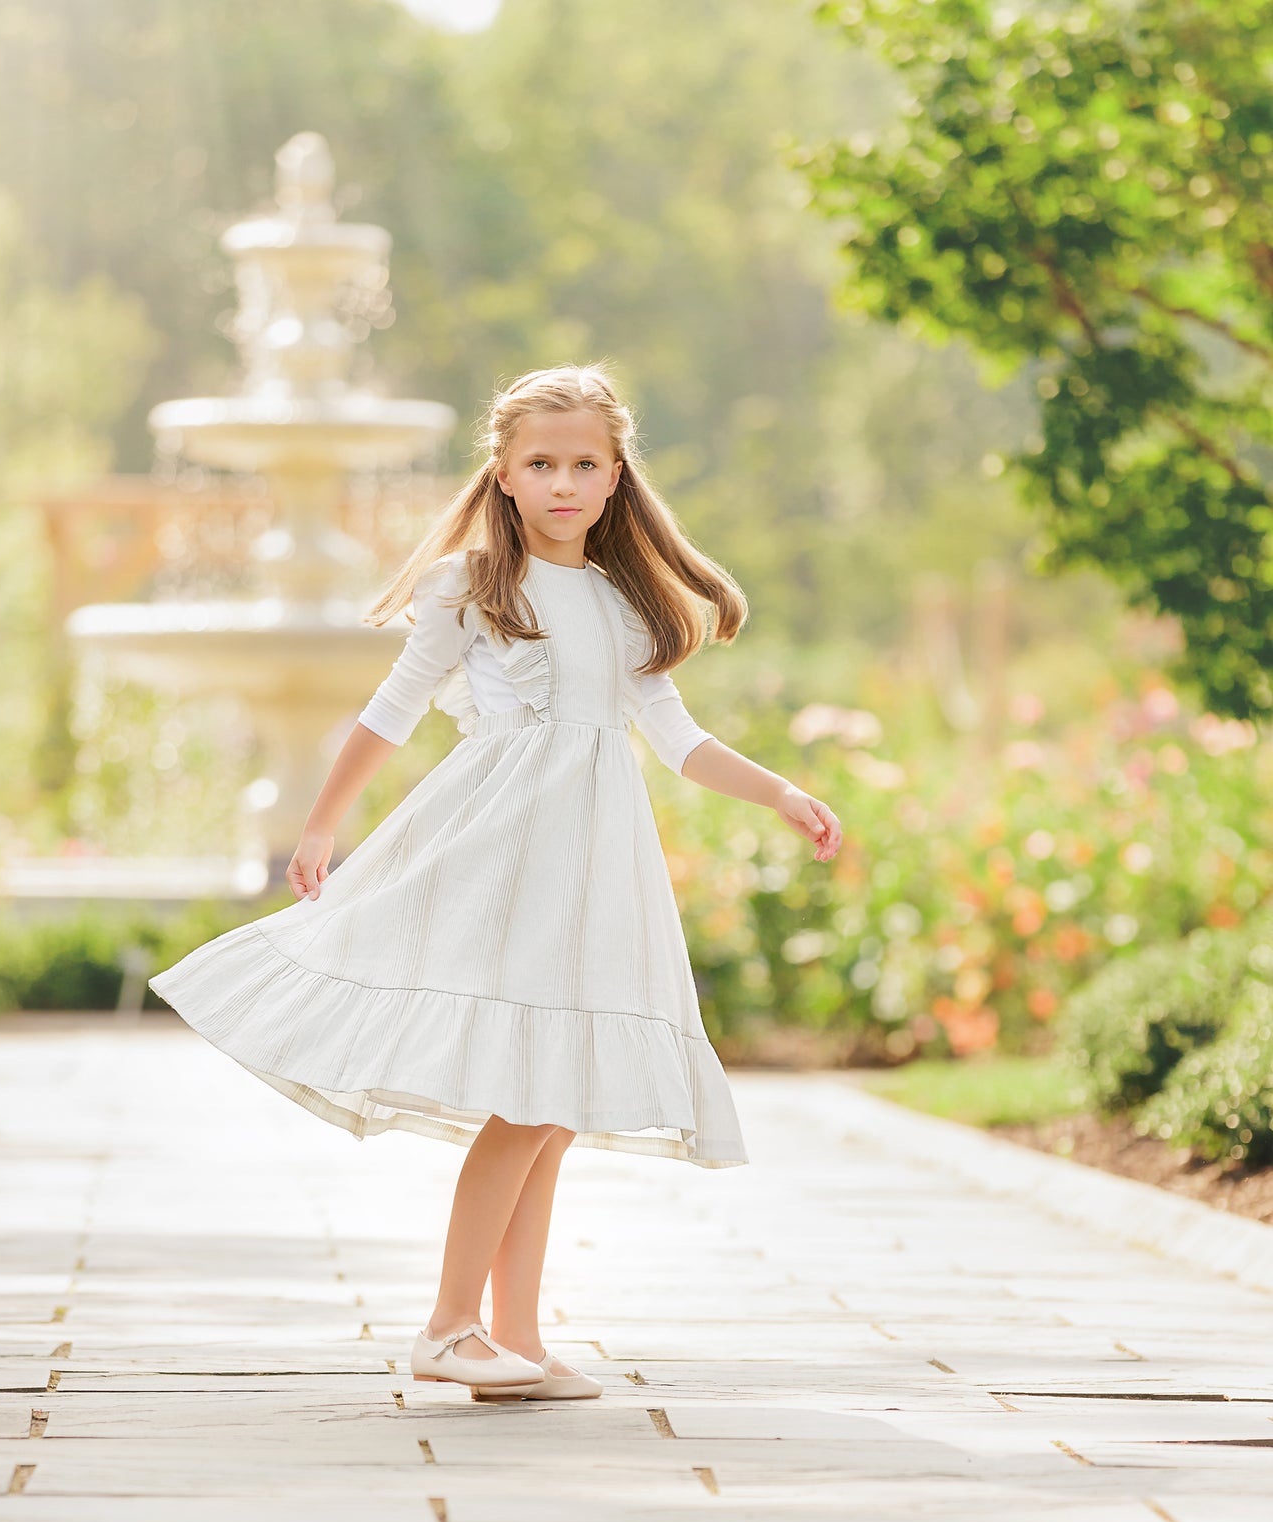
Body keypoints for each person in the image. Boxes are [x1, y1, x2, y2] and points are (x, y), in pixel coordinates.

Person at [149, 364, 842, 1402]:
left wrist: (778, 791)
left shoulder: (621, 602)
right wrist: (323, 826)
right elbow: (388, 710)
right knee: (523, 1098)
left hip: (593, 863)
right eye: (540, 463)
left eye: (583, 464)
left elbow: (676, 738)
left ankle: (512, 1336)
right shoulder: (473, 586)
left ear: (614, 479)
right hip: (502, 848)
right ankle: (446, 1324)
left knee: (553, 1100)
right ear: (504, 475)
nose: (562, 482)